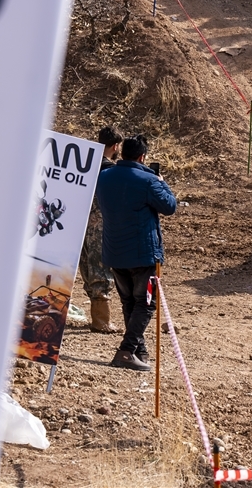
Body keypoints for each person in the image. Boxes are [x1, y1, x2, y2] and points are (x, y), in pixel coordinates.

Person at [96, 135, 177, 371]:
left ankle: (139, 350)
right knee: (146, 303)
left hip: (114, 252)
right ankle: (126, 350)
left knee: (129, 301)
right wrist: (160, 181)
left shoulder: (103, 176)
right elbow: (169, 206)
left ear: (122, 153)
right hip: (143, 255)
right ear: (142, 157)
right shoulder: (148, 180)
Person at [79, 127, 123, 334]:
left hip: (79, 223)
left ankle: (97, 316)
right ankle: (101, 320)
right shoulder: (111, 171)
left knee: (87, 269)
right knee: (101, 271)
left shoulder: (84, 164)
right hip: (100, 225)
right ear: (115, 146)